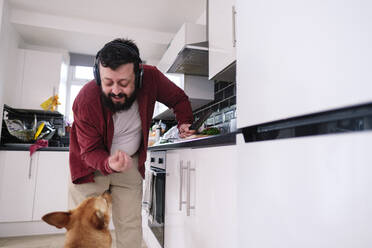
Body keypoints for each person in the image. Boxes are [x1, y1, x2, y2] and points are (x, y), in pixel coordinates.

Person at [68, 38, 195, 248]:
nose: (116, 90)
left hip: (130, 163)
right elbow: (89, 151)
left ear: (139, 74)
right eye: (108, 82)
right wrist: (109, 163)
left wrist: (184, 122)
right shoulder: (85, 100)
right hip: (91, 166)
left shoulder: (151, 77)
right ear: (98, 77)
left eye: (124, 83)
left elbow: (178, 99)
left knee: (130, 226)